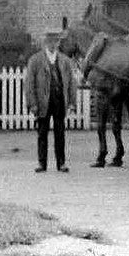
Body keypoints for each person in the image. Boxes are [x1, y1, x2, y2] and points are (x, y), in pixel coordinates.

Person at [23, 31, 77, 173]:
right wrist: (32, 103)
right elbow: (29, 83)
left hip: (59, 101)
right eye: (49, 42)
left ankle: (61, 163)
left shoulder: (65, 61)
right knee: (42, 133)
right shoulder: (35, 60)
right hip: (42, 102)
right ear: (45, 43)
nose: (52, 44)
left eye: (55, 42)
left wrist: (72, 102)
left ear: (58, 43)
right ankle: (42, 163)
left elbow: (71, 83)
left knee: (60, 133)